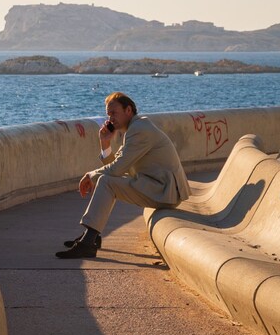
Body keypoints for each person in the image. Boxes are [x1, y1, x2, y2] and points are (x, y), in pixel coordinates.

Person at [55, 92, 191, 259]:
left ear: (128, 110)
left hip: (164, 191)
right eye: (108, 114)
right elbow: (117, 165)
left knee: (106, 181)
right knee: (107, 181)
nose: (110, 118)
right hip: (156, 186)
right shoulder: (135, 128)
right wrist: (105, 143)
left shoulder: (140, 130)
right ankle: (91, 237)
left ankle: (88, 242)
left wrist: (91, 175)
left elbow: (116, 169)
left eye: (114, 113)